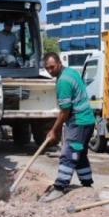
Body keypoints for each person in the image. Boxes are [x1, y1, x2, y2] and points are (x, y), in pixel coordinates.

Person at [39, 52, 96, 203]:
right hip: (87, 120)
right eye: (47, 68)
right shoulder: (71, 72)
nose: (50, 71)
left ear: (59, 63)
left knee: (68, 152)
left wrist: (53, 130)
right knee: (80, 154)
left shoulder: (63, 81)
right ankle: (87, 184)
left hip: (79, 122)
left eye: (52, 67)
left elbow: (65, 111)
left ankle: (59, 188)